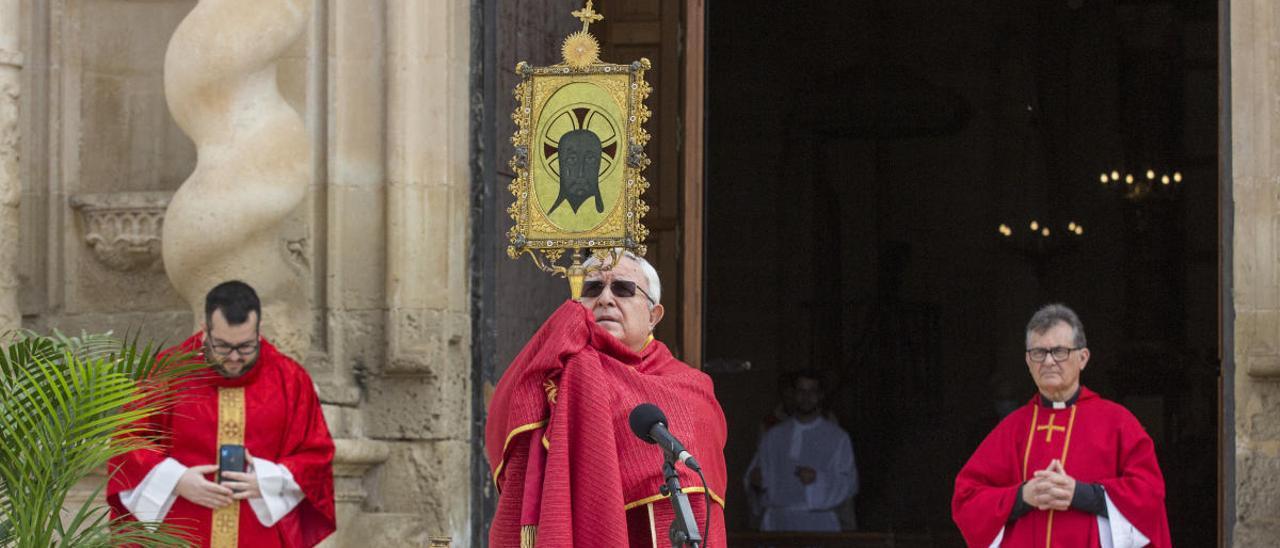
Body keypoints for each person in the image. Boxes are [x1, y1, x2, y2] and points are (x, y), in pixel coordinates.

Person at [486, 251, 728, 547]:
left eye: (623, 289)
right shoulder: (558, 373)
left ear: (653, 316)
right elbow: (508, 410)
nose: (605, 299)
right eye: (592, 289)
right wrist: (559, 334)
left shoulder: (690, 388)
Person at [108, 281, 336, 547]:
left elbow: (316, 455)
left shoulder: (290, 380)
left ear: (258, 331)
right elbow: (128, 443)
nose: (235, 357)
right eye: (224, 346)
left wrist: (266, 481)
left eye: (246, 346)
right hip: (181, 530)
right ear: (205, 331)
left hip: (259, 533)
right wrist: (177, 481)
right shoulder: (168, 373)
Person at [952, 304, 1171, 547]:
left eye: (1059, 351)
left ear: (1083, 358)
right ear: (1027, 360)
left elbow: (1149, 495)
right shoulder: (1012, 428)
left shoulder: (1118, 423)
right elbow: (966, 498)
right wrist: (1023, 496)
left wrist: (1080, 494)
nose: (1048, 361)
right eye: (1038, 352)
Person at [744, 370, 859, 532]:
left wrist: (817, 480)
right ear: (793, 394)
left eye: (812, 391)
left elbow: (849, 483)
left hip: (819, 525)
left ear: (820, 395)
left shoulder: (837, 438)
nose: (806, 397)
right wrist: (755, 482)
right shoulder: (773, 436)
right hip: (778, 524)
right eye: (801, 391)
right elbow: (755, 478)